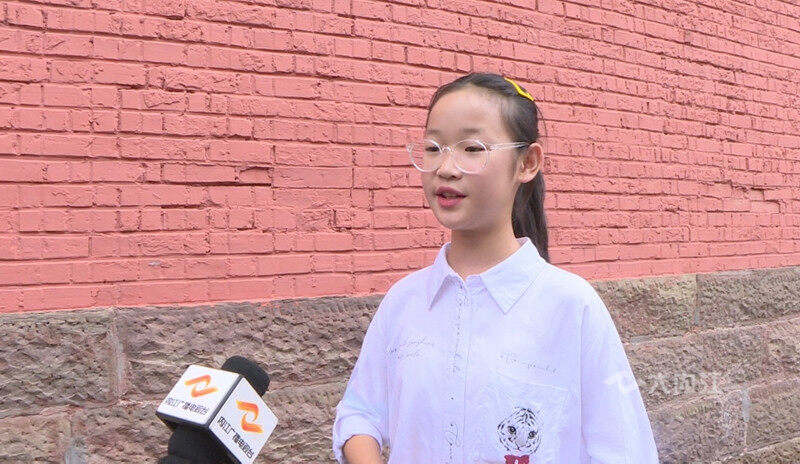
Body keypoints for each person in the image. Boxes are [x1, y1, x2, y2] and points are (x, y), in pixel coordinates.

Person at [331, 72, 659, 463]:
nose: (446, 168)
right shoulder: (403, 302)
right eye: (433, 147)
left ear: (527, 162)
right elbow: (359, 413)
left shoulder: (572, 307)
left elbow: (625, 451)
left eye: (472, 148)